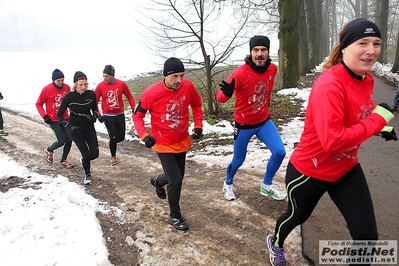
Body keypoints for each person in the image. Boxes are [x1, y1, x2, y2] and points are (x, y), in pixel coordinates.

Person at [266, 18, 397, 266]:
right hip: (310, 171)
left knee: (367, 236)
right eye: (363, 43)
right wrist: (376, 122)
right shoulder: (330, 84)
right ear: (345, 47)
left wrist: (383, 128)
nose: (371, 50)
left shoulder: (365, 79)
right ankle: (276, 242)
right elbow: (333, 141)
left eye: (376, 43)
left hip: (346, 169)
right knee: (295, 216)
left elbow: (361, 116)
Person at [133, 57, 203, 230]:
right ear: (165, 76)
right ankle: (174, 216)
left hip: (181, 140)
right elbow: (137, 116)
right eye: (175, 77)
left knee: (177, 176)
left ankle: (158, 181)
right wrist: (144, 135)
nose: (179, 80)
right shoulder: (151, 93)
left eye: (182, 76)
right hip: (162, 143)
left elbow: (197, 105)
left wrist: (198, 125)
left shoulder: (188, 87)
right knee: (176, 180)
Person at [216, 35, 287, 201]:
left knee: (279, 152)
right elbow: (220, 97)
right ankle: (228, 183)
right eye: (256, 50)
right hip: (243, 125)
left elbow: (265, 91)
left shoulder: (273, 69)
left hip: (264, 121)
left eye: (263, 50)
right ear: (251, 52)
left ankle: (267, 185)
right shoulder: (240, 73)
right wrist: (226, 92)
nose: (259, 54)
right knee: (239, 159)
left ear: (268, 52)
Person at [57, 71, 100, 185]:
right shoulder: (69, 97)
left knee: (95, 154)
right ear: (75, 84)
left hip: (88, 126)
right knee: (85, 153)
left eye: (85, 84)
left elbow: (95, 108)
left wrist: (95, 115)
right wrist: (69, 126)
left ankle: (84, 161)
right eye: (81, 84)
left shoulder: (91, 94)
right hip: (75, 128)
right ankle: (87, 174)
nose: (83, 87)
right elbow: (60, 115)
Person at [95, 65, 136, 166]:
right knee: (113, 137)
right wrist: (98, 114)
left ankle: (112, 142)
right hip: (108, 116)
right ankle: (113, 157)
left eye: (107, 76)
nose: (105, 78)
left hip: (120, 114)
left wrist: (133, 108)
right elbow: (94, 101)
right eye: (104, 76)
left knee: (121, 137)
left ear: (113, 75)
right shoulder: (100, 86)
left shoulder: (121, 84)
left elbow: (129, 96)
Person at [36, 69, 74, 168]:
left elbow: (69, 102)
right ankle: (49, 149)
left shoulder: (67, 88)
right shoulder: (46, 89)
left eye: (62, 80)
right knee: (61, 140)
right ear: (54, 80)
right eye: (58, 81)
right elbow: (38, 104)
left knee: (69, 139)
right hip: (53, 120)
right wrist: (44, 116)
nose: (61, 83)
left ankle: (63, 160)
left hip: (65, 118)